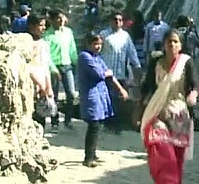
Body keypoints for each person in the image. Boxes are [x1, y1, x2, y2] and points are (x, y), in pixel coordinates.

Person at [139, 30, 197, 184]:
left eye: (175, 42)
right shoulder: (155, 63)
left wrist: (193, 95)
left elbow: (194, 85)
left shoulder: (186, 62)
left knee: (176, 160)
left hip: (179, 114)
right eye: (169, 42)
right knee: (162, 153)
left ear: (181, 45)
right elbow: (148, 86)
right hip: (158, 112)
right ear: (163, 44)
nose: (172, 45)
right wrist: (141, 106)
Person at [77, 33, 128, 167]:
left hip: (100, 95)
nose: (98, 47)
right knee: (93, 125)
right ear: (88, 44)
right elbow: (100, 74)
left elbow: (109, 74)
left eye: (100, 44)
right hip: (91, 96)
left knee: (97, 125)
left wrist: (120, 89)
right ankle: (88, 158)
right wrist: (107, 73)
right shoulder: (84, 57)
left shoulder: (97, 58)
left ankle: (93, 154)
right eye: (95, 44)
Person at [101, 13, 142, 132]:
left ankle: (118, 123)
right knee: (109, 98)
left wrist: (137, 66)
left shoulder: (125, 36)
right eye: (115, 19)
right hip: (107, 73)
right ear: (110, 21)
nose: (117, 22)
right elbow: (97, 52)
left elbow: (131, 52)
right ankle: (109, 123)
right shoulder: (104, 35)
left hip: (121, 73)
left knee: (120, 99)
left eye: (120, 20)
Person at [44, 11, 79, 131]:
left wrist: (76, 62)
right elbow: (46, 54)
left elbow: (72, 49)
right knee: (54, 95)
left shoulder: (68, 32)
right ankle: (55, 121)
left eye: (62, 18)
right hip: (54, 67)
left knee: (71, 94)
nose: (61, 21)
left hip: (67, 65)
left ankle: (68, 119)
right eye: (58, 18)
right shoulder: (47, 35)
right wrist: (53, 69)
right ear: (52, 20)